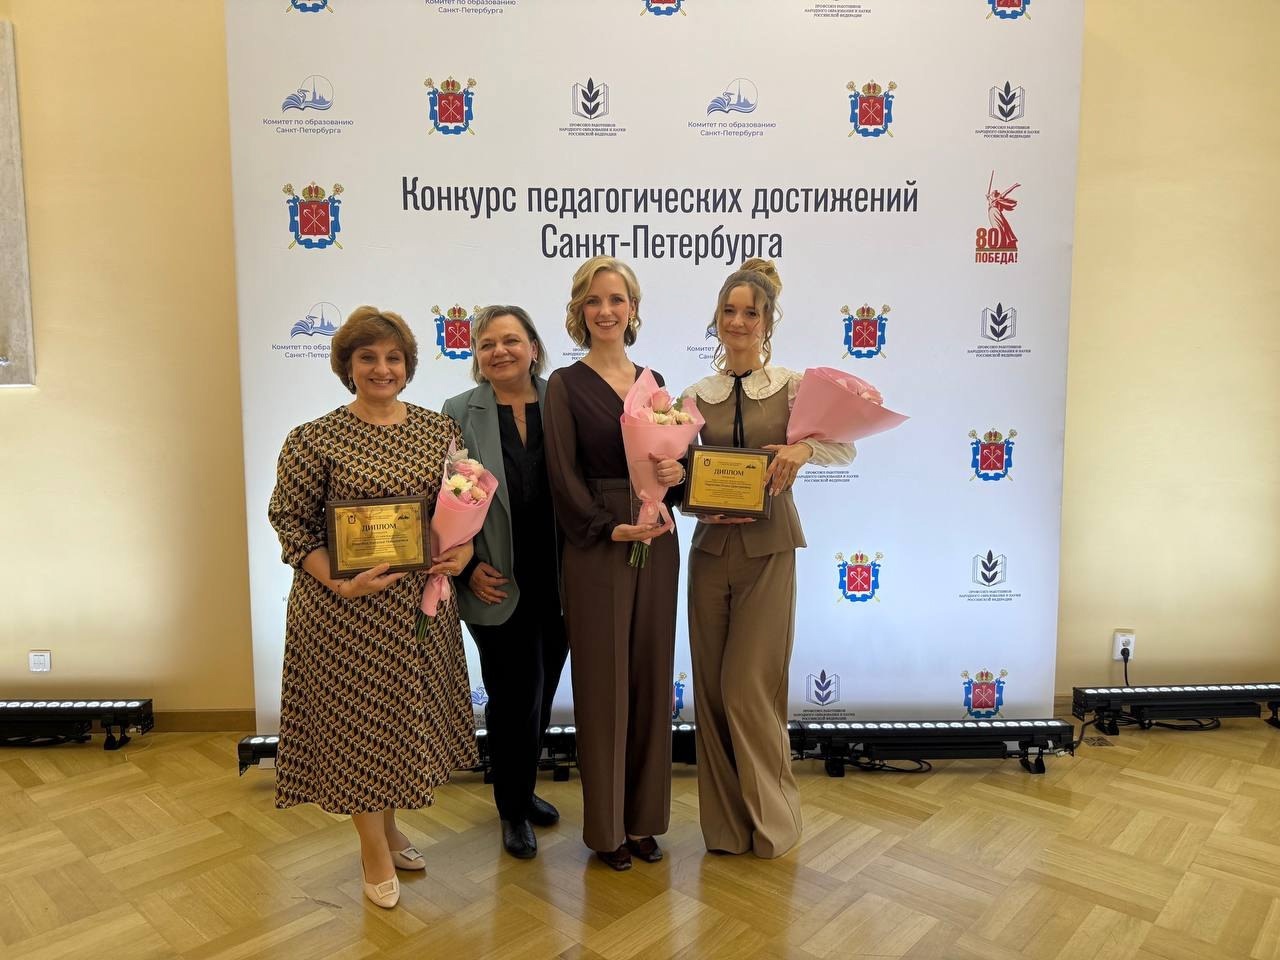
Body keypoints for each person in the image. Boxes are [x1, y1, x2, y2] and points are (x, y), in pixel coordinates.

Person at [268, 306, 478, 909]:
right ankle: (373, 849)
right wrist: (339, 584)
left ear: (408, 366)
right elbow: (291, 525)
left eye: (393, 357)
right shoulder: (311, 439)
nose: (381, 368)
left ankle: (388, 829)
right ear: (347, 366)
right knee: (357, 728)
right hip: (343, 613)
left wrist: (462, 553)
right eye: (368, 357)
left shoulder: (439, 432)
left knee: (397, 725)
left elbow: (460, 506)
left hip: (415, 613)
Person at [680, 260, 881, 858]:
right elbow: (677, 473)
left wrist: (803, 450)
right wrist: (685, 491)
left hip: (770, 550)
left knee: (748, 686)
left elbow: (846, 449)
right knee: (711, 691)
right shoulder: (694, 395)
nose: (739, 321)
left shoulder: (793, 388)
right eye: (729, 310)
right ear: (716, 318)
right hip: (709, 550)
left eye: (752, 312)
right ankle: (725, 828)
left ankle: (773, 821)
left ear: (768, 322)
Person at [543, 256, 685, 871]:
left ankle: (644, 820)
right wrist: (607, 526)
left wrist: (676, 474)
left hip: (657, 537)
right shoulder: (563, 385)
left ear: (632, 309)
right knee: (603, 684)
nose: (606, 310)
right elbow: (562, 475)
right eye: (594, 300)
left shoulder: (655, 382)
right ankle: (606, 830)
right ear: (580, 310)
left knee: (651, 675)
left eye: (617, 299)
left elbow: (676, 464)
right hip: (597, 541)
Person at [441, 305, 568, 860]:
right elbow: (444, 498)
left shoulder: (562, 400)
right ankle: (512, 809)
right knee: (513, 696)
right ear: (477, 355)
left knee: (542, 692)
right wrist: (468, 568)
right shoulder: (457, 412)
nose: (500, 351)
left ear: (533, 347)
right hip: (495, 580)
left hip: (562, 578)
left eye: (511, 340)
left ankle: (525, 786)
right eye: (487, 343)